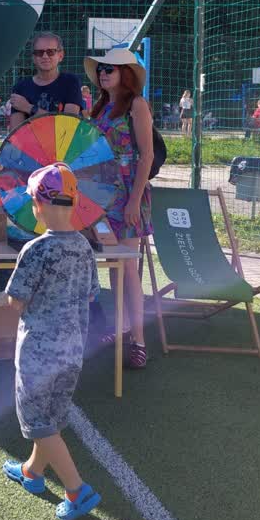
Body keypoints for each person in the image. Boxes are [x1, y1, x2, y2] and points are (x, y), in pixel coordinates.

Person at [2, 163, 101, 520]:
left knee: (36, 422)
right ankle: (32, 471)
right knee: (51, 418)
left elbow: (16, 300)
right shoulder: (84, 247)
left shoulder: (36, 249)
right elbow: (91, 293)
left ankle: (76, 490)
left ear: (38, 205)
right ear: (73, 203)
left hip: (38, 354)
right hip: (73, 351)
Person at [85, 48, 154, 369]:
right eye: (101, 68)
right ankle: (121, 327)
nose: (103, 73)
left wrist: (135, 201)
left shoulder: (137, 105)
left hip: (127, 194)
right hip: (101, 196)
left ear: (125, 73)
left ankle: (138, 340)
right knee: (114, 266)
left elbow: (146, 156)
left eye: (109, 69)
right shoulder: (99, 107)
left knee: (127, 267)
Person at [8, 32, 85, 131]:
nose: (45, 56)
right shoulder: (20, 87)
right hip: (30, 141)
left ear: (61, 55)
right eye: (39, 52)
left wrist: (29, 108)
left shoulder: (70, 82)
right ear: (34, 58)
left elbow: (68, 126)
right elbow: (16, 133)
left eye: (50, 52)